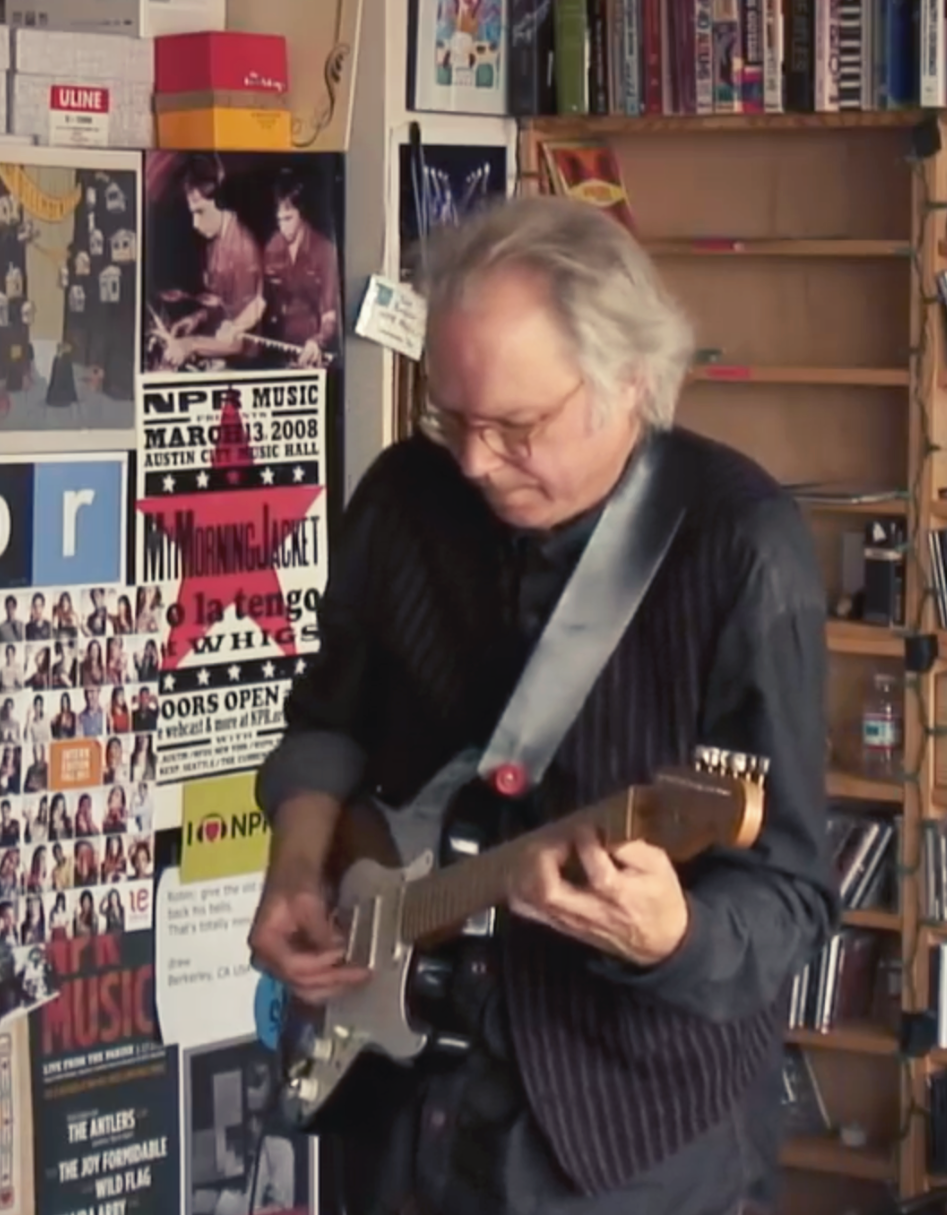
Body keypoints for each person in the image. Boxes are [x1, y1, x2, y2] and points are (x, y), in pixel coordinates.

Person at [248, 196, 838, 1215]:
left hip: (623, 1140)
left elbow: (789, 896)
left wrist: (671, 936)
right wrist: (296, 870)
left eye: (517, 428)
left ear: (631, 383)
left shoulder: (741, 550)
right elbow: (329, 719)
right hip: (396, 1091)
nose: (475, 461)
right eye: (453, 418)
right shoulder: (404, 496)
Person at [157, 156, 264, 371]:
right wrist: (197, 318)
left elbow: (237, 340)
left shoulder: (242, 250)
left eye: (200, 212)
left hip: (242, 362)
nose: (195, 224)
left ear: (220, 203)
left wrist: (190, 345)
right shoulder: (215, 241)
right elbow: (225, 304)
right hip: (217, 345)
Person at [261, 170, 340, 369]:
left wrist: (318, 341)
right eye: (279, 220)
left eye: (288, 219)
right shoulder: (272, 248)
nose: (283, 228)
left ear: (301, 214)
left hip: (316, 353)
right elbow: (262, 301)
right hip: (282, 351)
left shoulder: (324, 250)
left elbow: (330, 313)